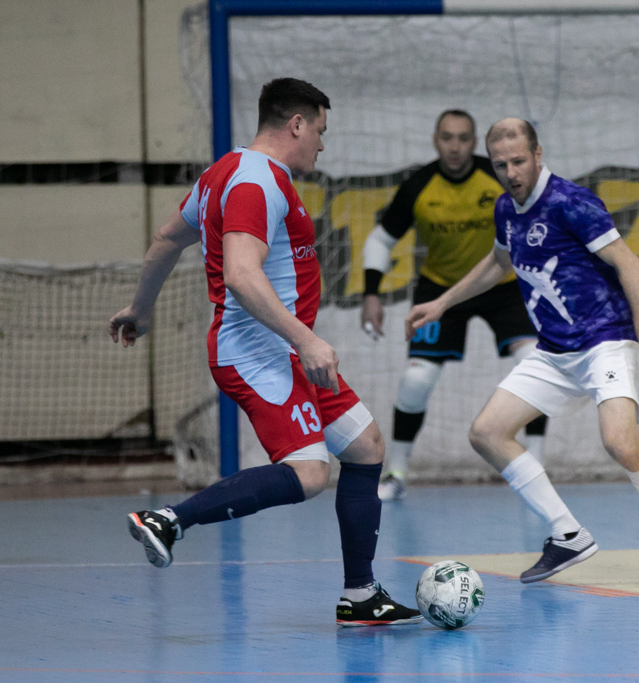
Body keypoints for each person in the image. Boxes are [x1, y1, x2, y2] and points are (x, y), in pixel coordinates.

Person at [110, 78, 421, 626]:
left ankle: (360, 594)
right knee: (309, 473)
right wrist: (306, 339)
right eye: (319, 130)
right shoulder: (258, 182)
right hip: (257, 353)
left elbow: (166, 239)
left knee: (366, 447)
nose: (321, 144)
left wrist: (140, 308)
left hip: (284, 352)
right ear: (296, 124)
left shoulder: (226, 172)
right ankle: (167, 521)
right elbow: (240, 273)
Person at [406, 118, 639, 585]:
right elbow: (497, 263)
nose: (511, 172)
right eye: (501, 165)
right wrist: (441, 303)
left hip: (604, 341)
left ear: (538, 155)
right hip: (554, 352)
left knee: (620, 444)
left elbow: (629, 264)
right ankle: (567, 533)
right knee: (486, 433)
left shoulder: (571, 203)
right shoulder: (505, 208)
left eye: (519, 161)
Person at [361, 109, 547, 502]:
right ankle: (396, 472)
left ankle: (535, 466)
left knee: (534, 364)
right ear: (436, 141)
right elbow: (379, 240)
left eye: (464, 138)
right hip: (441, 289)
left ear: (475, 142)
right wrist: (371, 294)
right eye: (448, 137)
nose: (456, 146)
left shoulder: (499, 176)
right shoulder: (419, 186)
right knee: (416, 381)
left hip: (504, 284)